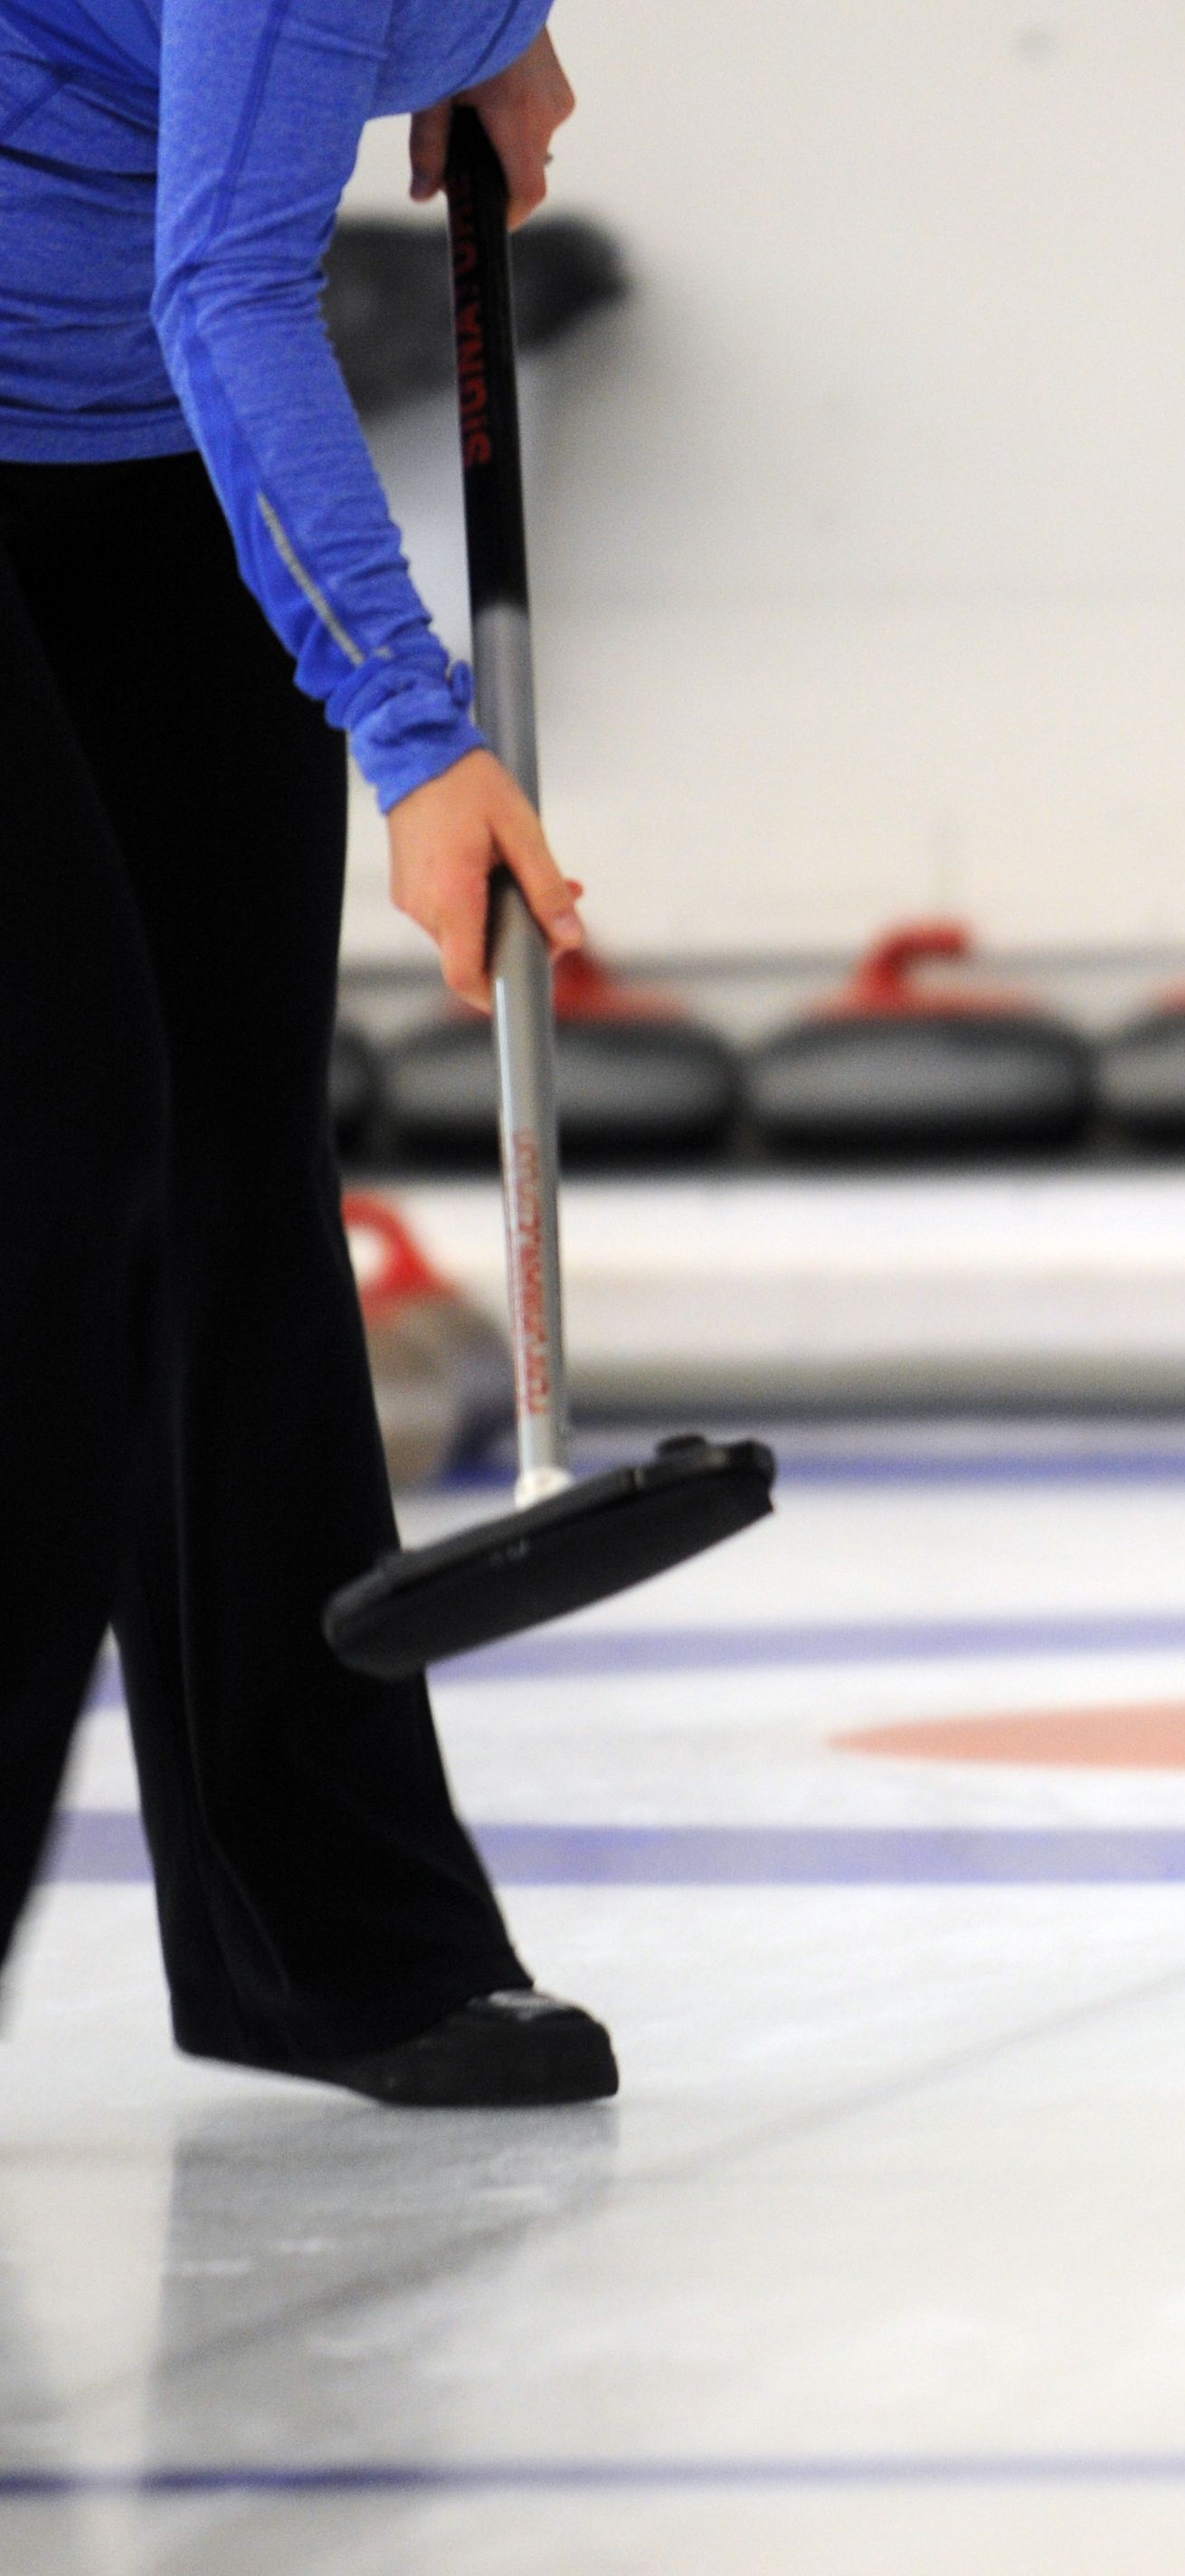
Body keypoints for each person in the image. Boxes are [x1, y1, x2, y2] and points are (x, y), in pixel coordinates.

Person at [1, 3, 612, 2103]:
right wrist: (421, 737)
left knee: (235, 1157)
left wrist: (486, 31)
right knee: (60, 1157)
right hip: (147, 349)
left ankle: (327, 1938)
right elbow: (234, 275)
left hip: (128, 435)